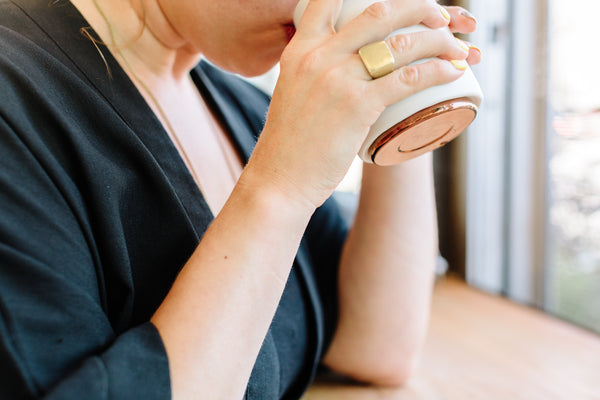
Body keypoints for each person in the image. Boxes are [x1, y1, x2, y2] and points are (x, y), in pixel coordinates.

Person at [0, 0, 481, 398]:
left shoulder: (240, 107)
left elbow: (376, 344)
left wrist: (404, 92)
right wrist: (281, 185)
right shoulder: (16, 101)